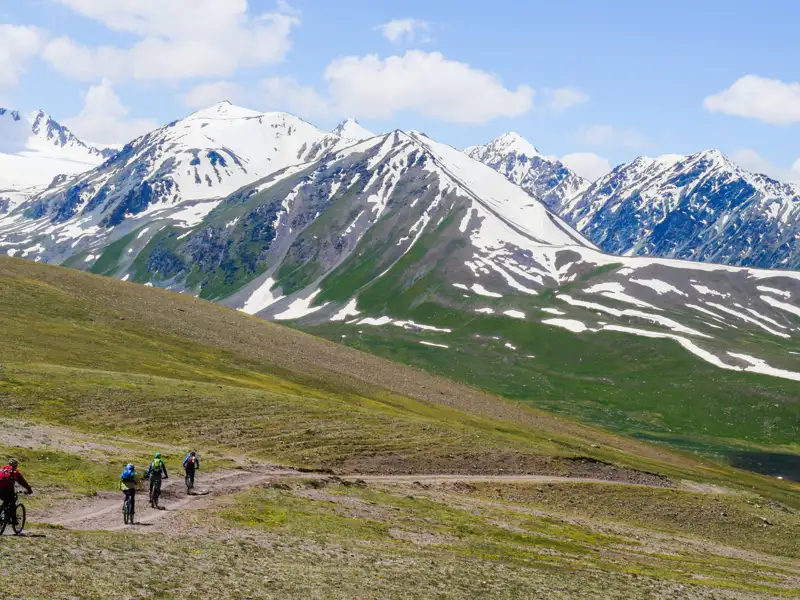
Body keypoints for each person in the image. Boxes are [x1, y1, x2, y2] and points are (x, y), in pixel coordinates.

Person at [0, 459, 33, 525]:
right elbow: (23, 482)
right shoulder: (15, 471)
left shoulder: (1, 469)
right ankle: (13, 520)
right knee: (12, 500)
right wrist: (29, 490)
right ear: (15, 466)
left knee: (6, 500)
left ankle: (3, 511)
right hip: (6, 488)